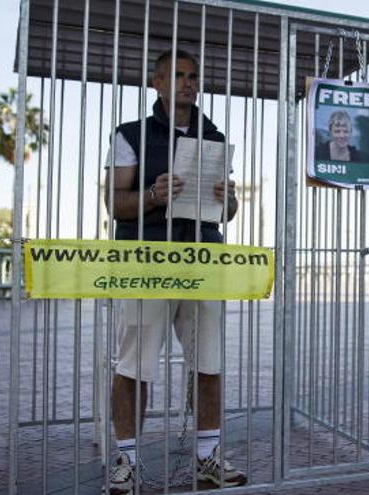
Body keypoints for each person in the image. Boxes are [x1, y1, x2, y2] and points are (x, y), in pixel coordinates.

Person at [103, 49, 245, 494]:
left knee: (209, 362)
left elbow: (228, 213)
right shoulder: (131, 134)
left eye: (193, 76)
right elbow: (115, 203)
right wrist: (152, 194)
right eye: (178, 75)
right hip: (147, 261)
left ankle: (208, 459)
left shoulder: (214, 136)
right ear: (157, 82)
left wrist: (229, 199)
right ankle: (126, 461)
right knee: (134, 364)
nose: (187, 83)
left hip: (203, 261)